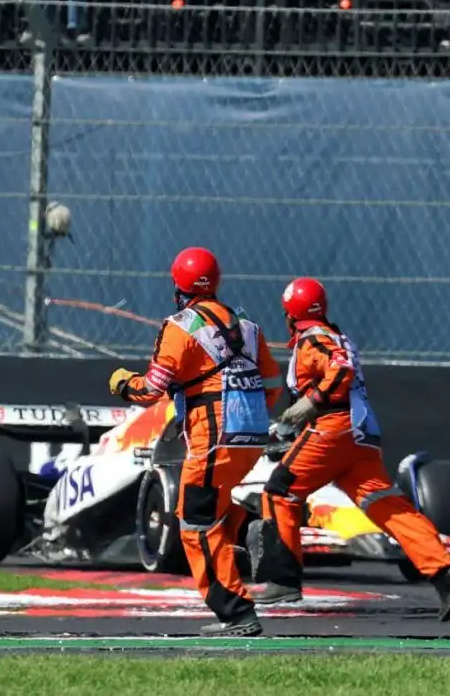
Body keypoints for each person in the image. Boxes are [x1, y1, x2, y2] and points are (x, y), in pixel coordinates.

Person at [248, 276, 450, 622]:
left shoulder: (313, 339)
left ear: (291, 314)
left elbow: (340, 370)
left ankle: (283, 581)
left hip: (332, 428)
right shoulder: (337, 335)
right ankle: (443, 572)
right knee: (386, 506)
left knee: (279, 492)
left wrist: (311, 403)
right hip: (361, 433)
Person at [107, 246, 283, 637]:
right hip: (252, 435)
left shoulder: (179, 327)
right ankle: (251, 530)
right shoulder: (248, 326)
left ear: (178, 285)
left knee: (195, 523)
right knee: (210, 508)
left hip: (213, 436)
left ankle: (236, 613)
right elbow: (272, 385)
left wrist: (122, 384)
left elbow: (152, 389)